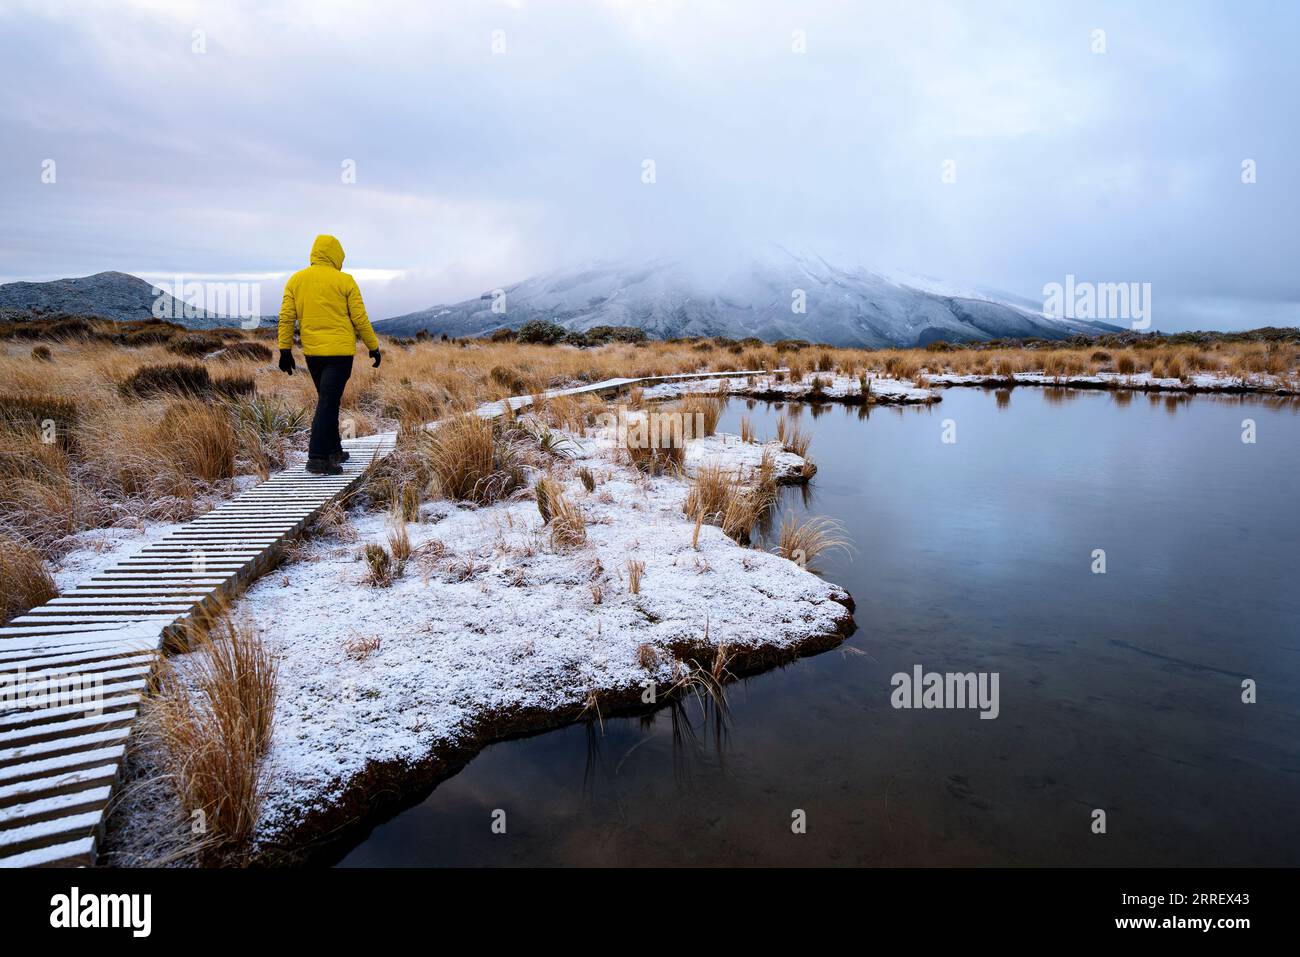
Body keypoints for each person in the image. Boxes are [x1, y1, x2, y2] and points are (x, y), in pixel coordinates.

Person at [277, 234, 381, 475]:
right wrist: (373, 346)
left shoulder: (296, 280)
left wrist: (285, 349)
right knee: (327, 402)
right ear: (336, 255)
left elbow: (286, 317)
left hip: (313, 354)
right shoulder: (345, 281)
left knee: (327, 400)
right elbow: (359, 318)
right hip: (340, 354)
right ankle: (318, 458)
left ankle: (334, 449)